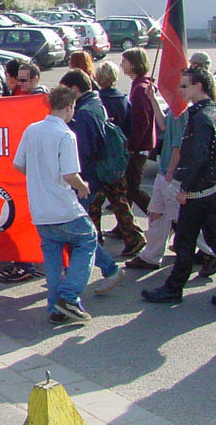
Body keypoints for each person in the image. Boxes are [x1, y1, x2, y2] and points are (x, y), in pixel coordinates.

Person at [141, 66, 216, 309]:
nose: (181, 91)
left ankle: (174, 289)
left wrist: (185, 188)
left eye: (185, 86)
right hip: (212, 190)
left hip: (200, 193)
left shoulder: (202, 117)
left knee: (186, 241)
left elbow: (197, 158)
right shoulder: (213, 113)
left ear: (199, 87)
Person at [14, 86, 95, 323]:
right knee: (87, 239)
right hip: (63, 206)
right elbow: (70, 174)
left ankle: (55, 307)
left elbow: (19, 164)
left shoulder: (32, 129)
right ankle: (68, 297)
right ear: (69, 106)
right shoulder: (65, 135)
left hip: (40, 208)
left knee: (51, 255)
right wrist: (83, 186)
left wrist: (39, 174)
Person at [126, 81, 216, 273]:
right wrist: (152, 100)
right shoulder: (174, 112)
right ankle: (151, 256)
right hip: (165, 173)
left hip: (171, 174)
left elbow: (178, 146)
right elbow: (162, 124)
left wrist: (170, 172)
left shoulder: (182, 113)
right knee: (157, 213)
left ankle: (211, 252)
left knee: (181, 218)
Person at [58, 69, 126, 293]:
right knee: (78, 234)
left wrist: (75, 182)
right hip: (92, 180)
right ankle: (88, 272)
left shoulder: (83, 114)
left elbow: (81, 154)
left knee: (79, 235)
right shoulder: (96, 103)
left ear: (75, 89)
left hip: (83, 183)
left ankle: (109, 270)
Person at [88, 60, 143, 250]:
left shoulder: (96, 102)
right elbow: (130, 128)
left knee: (94, 203)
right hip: (118, 157)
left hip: (99, 159)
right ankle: (133, 236)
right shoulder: (123, 100)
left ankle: (95, 240)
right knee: (119, 200)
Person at [120, 47, 155, 217]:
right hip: (139, 145)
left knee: (133, 188)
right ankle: (125, 227)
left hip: (139, 147)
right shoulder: (139, 85)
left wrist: (132, 146)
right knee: (127, 188)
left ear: (134, 64)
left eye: (124, 62)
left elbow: (142, 123)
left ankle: (159, 216)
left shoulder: (140, 89)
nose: (121, 65)